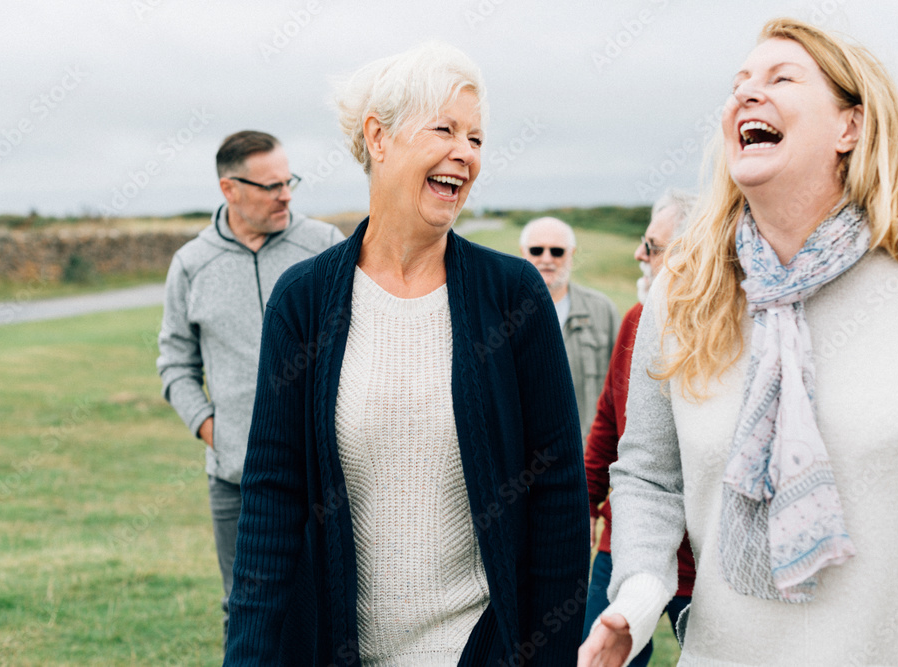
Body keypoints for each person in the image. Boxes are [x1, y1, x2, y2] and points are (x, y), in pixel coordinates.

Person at [224, 42, 591, 665]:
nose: (465, 154)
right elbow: (271, 502)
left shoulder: (514, 296)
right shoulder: (304, 301)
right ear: (379, 137)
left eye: (476, 139)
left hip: (477, 649)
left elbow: (557, 494)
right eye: (445, 129)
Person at [579, 18, 898, 666]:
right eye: (739, 84)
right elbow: (649, 476)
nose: (745, 95)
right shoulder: (682, 294)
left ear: (850, 126)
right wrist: (640, 593)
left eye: (780, 78)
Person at [156, 130, 343, 648]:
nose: (286, 195)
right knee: (245, 610)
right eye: (270, 186)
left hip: (325, 476)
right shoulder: (191, 264)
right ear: (229, 189)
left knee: (332, 605)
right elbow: (174, 360)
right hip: (235, 481)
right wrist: (213, 429)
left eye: (290, 182)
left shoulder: (326, 247)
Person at [580, 190, 697, 666]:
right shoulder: (636, 320)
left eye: (652, 246)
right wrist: (586, 503)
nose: (638, 255)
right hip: (624, 544)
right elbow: (609, 420)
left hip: (706, 566)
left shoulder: (733, 328)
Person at [519, 217, 619, 444]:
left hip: (588, 458)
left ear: (571, 254)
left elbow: (623, 390)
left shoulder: (603, 311)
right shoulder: (502, 314)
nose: (546, 259)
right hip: (525, 462)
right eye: (536, 250)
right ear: (522, 253)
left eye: (557, 251)